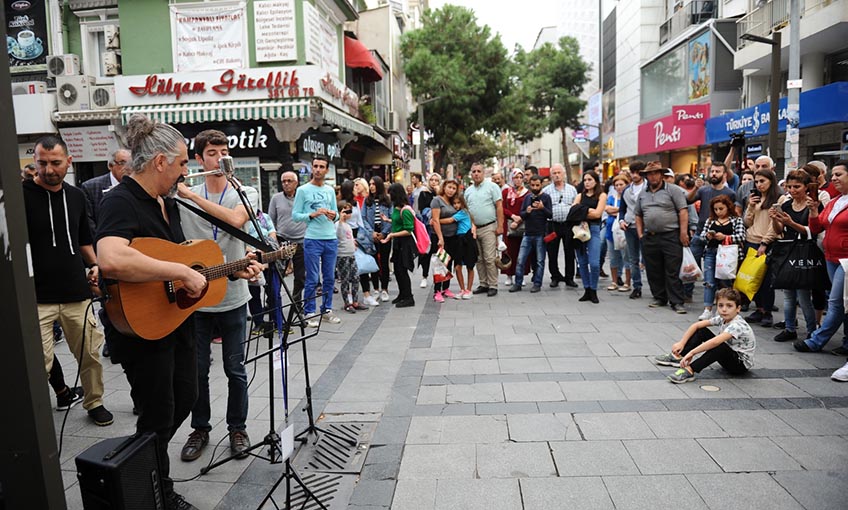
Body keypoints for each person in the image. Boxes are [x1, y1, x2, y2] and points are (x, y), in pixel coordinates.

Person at [96, 115, 261, 510]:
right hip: (143, 330)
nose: (187, 171)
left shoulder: (166, 203)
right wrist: (179, 271)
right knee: (158, 414)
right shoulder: (120, 199)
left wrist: (230, 268)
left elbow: (176, 261)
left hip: (176, 323)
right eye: (183, 162)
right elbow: (112, 257)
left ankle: (143, 471)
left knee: (184, 399)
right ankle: (155, 491)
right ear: (160, 162)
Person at [177, 129, 259, 462]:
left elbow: (236, 220)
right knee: (197, 371)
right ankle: (200, 428)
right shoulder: (183, 193)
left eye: (224, 151)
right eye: (212, 152)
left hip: (234, 298)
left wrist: (192, 197)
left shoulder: (244, 190)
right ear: (199, 159)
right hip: (195, 301)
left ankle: (237, 428)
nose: (220, 157)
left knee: (235, 369)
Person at [23, 135, 113, 427]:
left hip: (77, 292)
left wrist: (96, 265)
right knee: (38, 362)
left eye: (55, 163)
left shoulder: (76, 196)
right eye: (42, 163)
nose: (48, 170)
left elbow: (84, 240)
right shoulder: (19, 195)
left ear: (69, 162)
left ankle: (94, 402)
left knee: (90, 354)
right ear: (34, 162)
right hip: (35, 297)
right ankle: (35, 414)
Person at [794, 161, 848, 381]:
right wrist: (814, 211)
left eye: (839, 174)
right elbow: (816, 229)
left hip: (846, 261)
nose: (833, 178)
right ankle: (845, 342)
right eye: (833, 174)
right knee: (843, 303)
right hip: (830, 258)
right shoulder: (835, 201)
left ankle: (816, 340)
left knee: (835, 302)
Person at [82, 148, 132, 360]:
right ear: (111, 165)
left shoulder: (135, 186)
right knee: (108, 300)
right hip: (104, 254)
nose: (126, 168)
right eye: (122, 163)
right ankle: (113, 341)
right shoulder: (92, 187)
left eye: (130, 163)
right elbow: (88, 222)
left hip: (131, 252)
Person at [654, 288, 755, 384]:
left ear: (738, 309)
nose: (724, 309)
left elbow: (715, 342)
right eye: (720, 305)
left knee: (720, 345)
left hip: (739, 365)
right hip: (728, 354)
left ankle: (690, 370)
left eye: (729, 306)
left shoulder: (737, 325)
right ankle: (678, 356)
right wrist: (682, 343)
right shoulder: (722, 318)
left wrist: (692, 353)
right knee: (702, 331)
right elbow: (696, 325)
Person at [768, 170, 821, 342]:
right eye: (789, 186)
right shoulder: (786, 205)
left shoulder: (812, 205)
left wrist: (791, 223)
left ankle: (812, 330)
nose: (792, 190)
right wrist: (776, 219)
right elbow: (779, 231)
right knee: (788, 295)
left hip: (805, 252)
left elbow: (813, 231)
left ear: (806, 187)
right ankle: (790, 328)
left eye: (797, 186)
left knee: (804, 295)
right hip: (787, 250)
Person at [292, 156, 342, 327]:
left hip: (330, 238)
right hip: (312, 238)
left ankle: (326, 309)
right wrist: (311, 215)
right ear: (311, 168)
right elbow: (295, 215)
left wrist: (333, 215)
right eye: (315, 166)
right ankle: (309, 311)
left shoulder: (329, 190)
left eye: (322, 166)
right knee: (312, 277)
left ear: (327, 170)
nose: (318, 169)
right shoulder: (303, 190)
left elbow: (336, 213)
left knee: (329, 277)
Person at [634, 162, 690, 314]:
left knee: (672, 269)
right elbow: (638, 214)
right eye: (649, 174)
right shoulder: (643, 193)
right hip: (650, 236)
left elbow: (683, 211)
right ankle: (659, 297)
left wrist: (683, 232)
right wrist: (640, 233)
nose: (652, 176)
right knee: (653, 269)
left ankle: (677, 302)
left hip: (671, 235)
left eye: (655, 173)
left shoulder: (673, 190)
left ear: (661, 174)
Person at [698, 195, 746, 320]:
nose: (718, 212)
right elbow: (702, 237)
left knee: (727, 282)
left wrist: (725, 237)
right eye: (716, 209)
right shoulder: (710, 221)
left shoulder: (736, 220)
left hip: (728, 254)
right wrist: (708, 236)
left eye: (721, 208)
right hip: (711, 252)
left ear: (728, 207)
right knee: (709, 282)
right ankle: (708, 309)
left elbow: (741, 236)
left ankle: (727, 308)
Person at [742, 168, 780, 327]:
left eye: (762, 181)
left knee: (766, 281)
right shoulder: (755, 198)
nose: (759, 185)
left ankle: (767, 312)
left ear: (771, 181)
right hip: (751, 240)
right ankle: (758, 309)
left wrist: (765, 243)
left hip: (767, 242)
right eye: (756, 182)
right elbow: (747, 222)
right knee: (752, 278)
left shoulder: (779, 198)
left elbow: (775, 225)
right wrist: (750, 206)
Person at [464, 162, 504, 296]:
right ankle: (483, 284)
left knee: (489, 258)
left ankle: (493, 285)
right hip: (474, 229)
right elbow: (466, 210)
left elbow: (499, 207)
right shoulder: (468, 190)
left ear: (484, 173)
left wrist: (500, 226)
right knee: (479, 258)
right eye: (474, 171)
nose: (476, 174)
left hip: (489, 227)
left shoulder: (492, 187)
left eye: (478, 171)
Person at [268, 171, 307, 307]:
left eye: (289, 181)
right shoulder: (276, 198)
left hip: (301, 242)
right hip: (282, 241)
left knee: (300, 277)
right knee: (278, 275)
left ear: (296, 183)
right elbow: (270, 220)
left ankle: (297, 306)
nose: (286, 184)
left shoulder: (303, 197)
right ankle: (273, 303)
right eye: (283, 181)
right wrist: (274, 242)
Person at [508, 175, 552, 293]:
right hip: (527, 233)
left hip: (540, 234)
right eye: (532, 185)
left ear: (541, 184)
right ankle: (518, 283)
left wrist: (542, 208)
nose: (535, 187)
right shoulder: (527, 198)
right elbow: (521, 215)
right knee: (520, 259)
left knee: (540, 261)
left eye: (537, 185)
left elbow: (550, 215)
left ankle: (537, 283)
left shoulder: (546, 197)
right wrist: (526, 212)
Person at [433, 179, 475, 299]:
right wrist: (435, 222)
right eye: (449, 187)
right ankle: (458, 289)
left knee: (468, 265)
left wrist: (436, 221)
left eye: (453, 188)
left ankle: (467, 290)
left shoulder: (462, 212)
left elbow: (450, 220)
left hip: (464, 240)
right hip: (454, 239)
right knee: (451, 265)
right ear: (444, 187)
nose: (456, 205)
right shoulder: (437, 200)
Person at [573, 171, 607, 303]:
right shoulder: (580, 195)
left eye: (590, 179)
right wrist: (588, 211)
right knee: (582, 262)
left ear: (596, 181)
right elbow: (573, 211)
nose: (587, 182)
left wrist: (582, 210)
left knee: (594, 263)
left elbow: (598, 214)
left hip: (593, 229)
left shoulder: (602, 195)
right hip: (579, 229)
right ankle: (586, 289)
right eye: (585, 179)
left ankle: (593, 289)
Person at [544, 163, 578, 288]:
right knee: (552, 252)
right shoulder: (546, 190)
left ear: (563, 174)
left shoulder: (572, 189)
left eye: (559, 173)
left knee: (570, 252)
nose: (557, 175)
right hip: (552, 224)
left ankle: (569, 277)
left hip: (568, 225)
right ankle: (555, 277)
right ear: (551, 175)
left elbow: (576, 206)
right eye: (554, 173)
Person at [382, 183, 416, 307]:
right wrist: (388, 220)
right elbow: (398, 222)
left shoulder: (405, 209)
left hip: (404, 244)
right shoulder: (396, 208)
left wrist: (392, 235)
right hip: (398, 243)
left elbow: (409, 229)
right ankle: (402, 294)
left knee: (402, 270)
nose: (388, 196)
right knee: (397, 270)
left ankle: (409, 297)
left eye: (390, 193)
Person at [618, 161, 647, 299]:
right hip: (629, 226)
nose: (635, 175)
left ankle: (656, 286)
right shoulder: (626, 190)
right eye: (633, 172)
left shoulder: (649, 187)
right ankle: (637, 287)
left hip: (647, 226)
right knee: (633, 259)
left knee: (648, 258)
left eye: (638, 172)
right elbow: (622, 208)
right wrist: (621, 220)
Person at [364, 176, 393, 302]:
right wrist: (371, 233)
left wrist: (384, 233)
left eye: (374, 184)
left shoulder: (387, 201)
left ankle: (385, 289)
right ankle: (375, 289)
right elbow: (363, 218)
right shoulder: (367, 201)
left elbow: (392, 218)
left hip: (385, 235)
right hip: (372, 235)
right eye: (370, 184)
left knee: (385, 262)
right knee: (373, 262)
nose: (371, 186)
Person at [352, 177, 379, 307]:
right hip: (353, 236)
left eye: (358, 185)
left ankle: (372, 291)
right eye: (354, 185)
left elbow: (362, 220)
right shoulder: (353, 202)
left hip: (364, 234)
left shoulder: (368, 200)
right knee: (355, 266)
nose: (356, 187)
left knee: (368, 261)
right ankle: (353, 295)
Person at [502, 168, 529, 286]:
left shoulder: (527, 193)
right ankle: (509, 274)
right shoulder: (506, 192)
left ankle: (521, 274)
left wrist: (519, 220)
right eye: (515, 177)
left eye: (520, 177)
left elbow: (528, 208)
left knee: (522, 250)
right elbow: (502, 208)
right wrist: (512, 216)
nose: (518, 180)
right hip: (509, 225)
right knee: (509, 250)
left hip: (522, 224)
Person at [604, 174, 632, 293]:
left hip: (625, 230)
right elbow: (607, 209)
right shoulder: (611, 197)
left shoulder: (629, 197)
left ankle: (628, 282)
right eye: (616, 185)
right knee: (613, 257)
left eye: (621, 184)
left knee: (627, 257)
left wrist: (616, 211)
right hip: (611, 231)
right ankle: (614, 281)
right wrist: (620, 210)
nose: (619, 187)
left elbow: (630, 211)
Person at [335, 200, 364, 313]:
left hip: (351, 254)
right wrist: (340, 219)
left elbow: (349, 238)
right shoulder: (338, 225)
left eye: (349, 211)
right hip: (342, 255)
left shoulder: (348, 225)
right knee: (345, 280)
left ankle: (355, 301)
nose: (347, 214)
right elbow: (335, 234)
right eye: (345, 211)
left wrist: (353, 243)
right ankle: (347, 303)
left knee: (356, 277)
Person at [417, 173, 443, 291]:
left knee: (440, 254)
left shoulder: (442, 194)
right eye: (431, 180)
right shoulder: (424, 193)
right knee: (426, 253)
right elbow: (423, 210)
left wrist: (438, 193)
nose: (433, 182)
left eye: (436, 180)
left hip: (440, 228)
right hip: (428, 227)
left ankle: (440, 278)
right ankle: (424, 276)